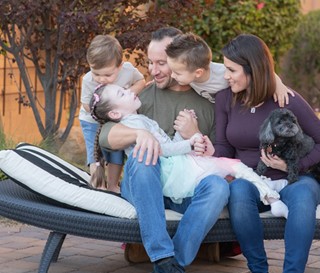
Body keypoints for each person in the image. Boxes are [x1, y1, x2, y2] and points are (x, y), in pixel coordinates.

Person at [99, 27, 229, 273]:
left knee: (218, 187)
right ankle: (161, 254)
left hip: (185, 188)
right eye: (150, 62)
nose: (153, 70)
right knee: (143, 156)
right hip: (144, 185)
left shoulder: (208, 104)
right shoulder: (141, 97)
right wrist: (140, 134)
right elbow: (106, 136)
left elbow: (216, 158)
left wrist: (194, 135)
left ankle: (171, 263)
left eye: (161, 63)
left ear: (179, 61)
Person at [91, 84, 288, 217]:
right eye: (122, 93)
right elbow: (162, 150)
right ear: (115, 113)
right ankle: (270, 190)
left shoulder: (140, 119)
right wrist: (190, 142)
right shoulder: (135, 122)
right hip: (173, 174)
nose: (129, 90)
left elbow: (166, 144)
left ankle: (269, 189)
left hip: (175, 168)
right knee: (230, 168)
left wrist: (182, 132)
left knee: (228, 170)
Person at [214, 33, 320, 273]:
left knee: (304, 198)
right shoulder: (224, 99)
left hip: (295, 177)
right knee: (238, 192)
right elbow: (223, 148)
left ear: (252, 69)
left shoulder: (286, 99)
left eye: (231, 70)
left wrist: (294, 167)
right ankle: (258, 268)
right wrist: (208, 153)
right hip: (252, 178)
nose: (226, 76)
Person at [79, 34, 145, 192]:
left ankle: (113, 185)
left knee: (117, 151)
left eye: (108, 75)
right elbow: (86, 104)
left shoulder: (128, 71)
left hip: (117, 120)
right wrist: (106, 112)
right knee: (95, 153)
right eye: (96, 73)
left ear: (120, 66)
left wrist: (127, 93)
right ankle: (98, 185)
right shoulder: (88, 80)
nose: (101, 79)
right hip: (92, 120)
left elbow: (141, 81)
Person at [165, 32, 292, 107]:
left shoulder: (222, 73)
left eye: (177, 73)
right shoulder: (188, 73)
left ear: (198, 73)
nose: (172, 76)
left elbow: (261, 71)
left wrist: (279, 85)